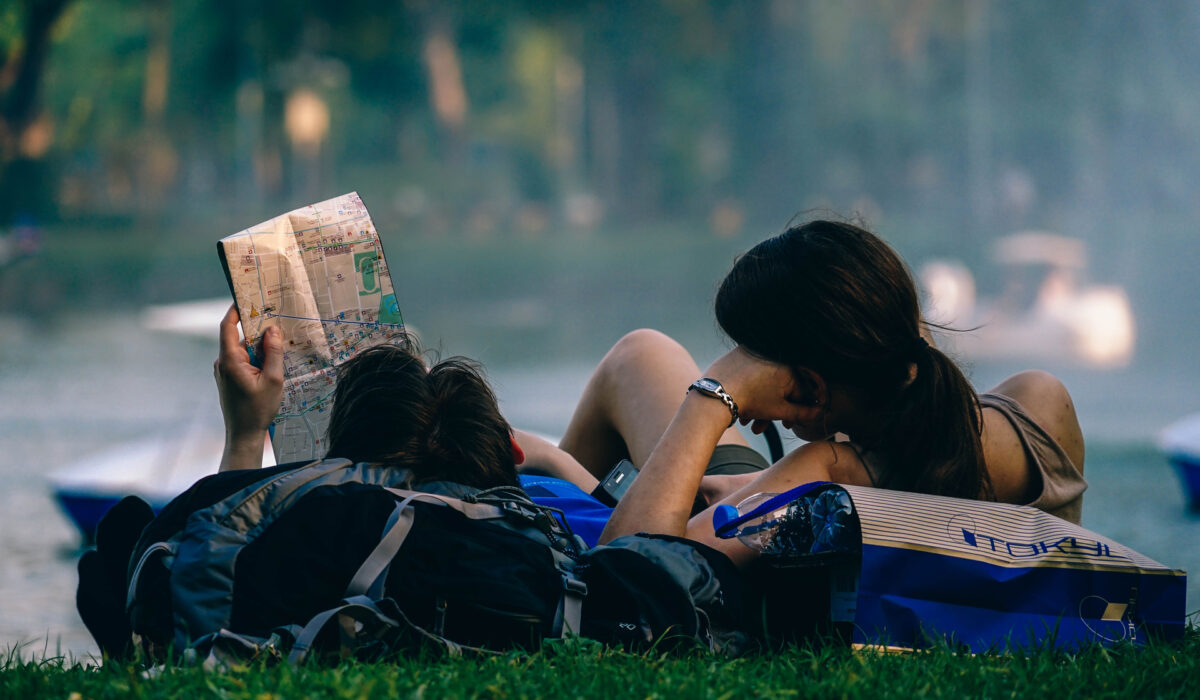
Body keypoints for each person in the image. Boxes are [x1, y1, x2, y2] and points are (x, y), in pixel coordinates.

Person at [553, 220, 1087, 567]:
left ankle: (533, 525)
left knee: (638, 356)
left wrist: (718, 393)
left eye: (753, 356)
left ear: (808, 385)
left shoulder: (824, 470)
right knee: (643, 356)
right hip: (790, 479)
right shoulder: (1041, 405)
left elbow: (630, 575)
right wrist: (760, 477)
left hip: (721, 532)